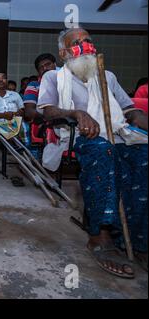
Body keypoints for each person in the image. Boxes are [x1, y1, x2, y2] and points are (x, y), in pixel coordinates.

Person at [38, 28, 148, 278]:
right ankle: (101, 236)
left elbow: (130, 111)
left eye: (88, 41)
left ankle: (139, 241)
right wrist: (77, 113)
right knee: (103, 151)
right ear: (64, 52)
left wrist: (141, 119)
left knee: (144, 156)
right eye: (77, 43)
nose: (85, 46)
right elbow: (47, 112)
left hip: (118, 134)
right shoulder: (54, 77)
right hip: (80, 137)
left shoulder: (106, 76)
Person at [23, 53, 57, 122]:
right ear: (38, 72)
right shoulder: (34, 85)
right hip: (44, 125)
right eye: (41, 67)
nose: (45, 68)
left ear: (55, 65)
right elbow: (29, 111)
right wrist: (48, 119)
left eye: (48, 64)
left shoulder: (65, 82)